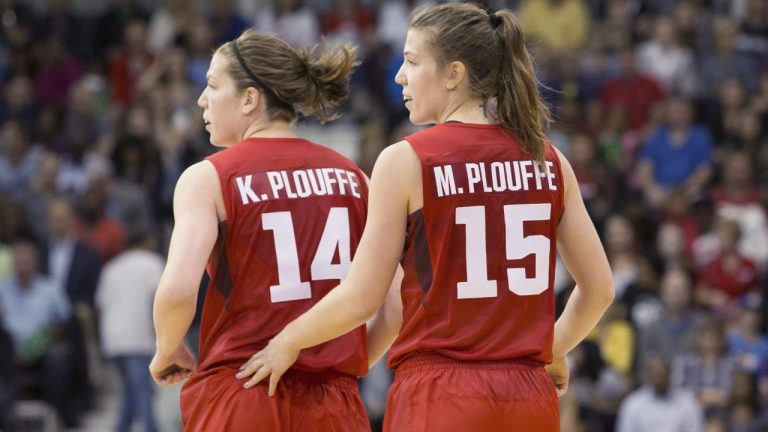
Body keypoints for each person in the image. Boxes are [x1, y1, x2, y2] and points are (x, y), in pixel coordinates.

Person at [239, 4, 614, 431]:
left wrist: (287, 340)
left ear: (454, 74)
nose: (400, 75)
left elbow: (362, 298)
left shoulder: (406, 160)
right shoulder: (547, 158)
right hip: (528, 395)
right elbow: (599, 289)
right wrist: (554, 347)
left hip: (440, 391)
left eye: (413, 62)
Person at [149, 29, 373, 431]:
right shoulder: (356, 177)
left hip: (244, 391)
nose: (202, 99)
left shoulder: (209, 178)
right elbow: (391, 303)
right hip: (335, 404)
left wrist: (167, 349)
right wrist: (338, 364)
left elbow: (177, 292)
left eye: (213, 86)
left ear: (250, 99)